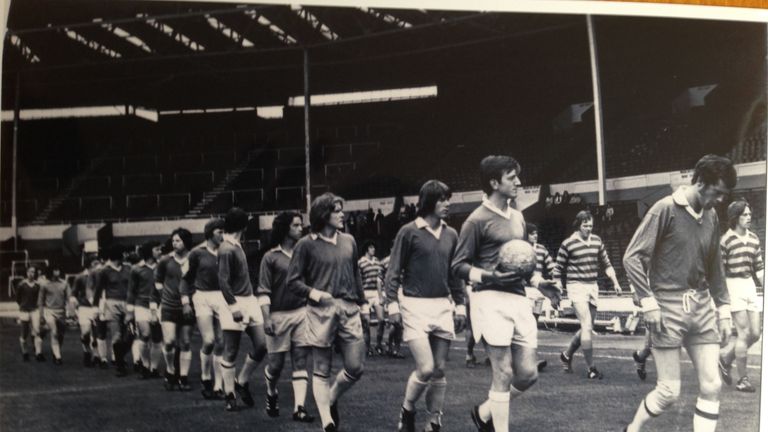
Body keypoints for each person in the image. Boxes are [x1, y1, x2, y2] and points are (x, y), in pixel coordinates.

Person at [622, 154, 736, 432]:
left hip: (701, 306)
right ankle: (632, 429)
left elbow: (715, 269)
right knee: (668, 393)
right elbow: (632, 257)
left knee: (712, 385)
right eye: (718, 192)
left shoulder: (711, 217)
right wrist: (648, 303)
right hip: (667, 307)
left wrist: (723, 311)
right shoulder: (664, 209)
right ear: (700, 182)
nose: (720, 200)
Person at [452, 155, 559, 432]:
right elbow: (458, 266)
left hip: (518, 298)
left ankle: (484, 413)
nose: (519, 182)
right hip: (489, 299)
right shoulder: (475, 220)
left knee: (527, 375)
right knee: (503, 372)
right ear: (494, 182)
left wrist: (538, 282)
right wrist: (489, 275)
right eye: (512, 177)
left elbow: (522, 261)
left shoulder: (518, 217)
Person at [386, 180, 467, 432]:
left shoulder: (452, 234)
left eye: (448, 199)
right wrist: (392, 305)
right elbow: (393, 271)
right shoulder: (408, 231)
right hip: (413, 305)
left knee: (440, 369)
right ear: (429, 202)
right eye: (443, 199)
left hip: (442, 304)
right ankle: (408, 408)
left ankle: (433, 420)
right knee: (426, 367)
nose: (447, 204)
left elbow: (454, 273)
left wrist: (461, 305)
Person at [287, 193, 367, 432]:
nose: (342, 214)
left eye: (342, 209)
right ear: (323, 215)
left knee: (355, 367)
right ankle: (327, 422)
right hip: (320, 311)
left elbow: (355, 274)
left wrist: (362, 303)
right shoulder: (305, 245)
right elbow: (293, 281)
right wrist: (315, 294)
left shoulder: (349, 241)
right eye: (337, 210)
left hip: (349, 308)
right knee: (321, 368)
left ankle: (331, 398)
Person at [258, 212, 315, 422]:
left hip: (301, 313)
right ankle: (271, 392)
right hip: (278, 315)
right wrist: (267, 318)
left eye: (301, 225)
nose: (301, 228)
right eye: (296, 225)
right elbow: (263, 291)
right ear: (285, 229)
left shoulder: (305, 255)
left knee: (300, 360)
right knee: (276, 365)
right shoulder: (270, 257)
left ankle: (299, 408)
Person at [554, 211, 622, 379]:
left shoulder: (597, 240)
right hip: (576, 286)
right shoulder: (568, 243)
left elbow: (606, 263)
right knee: (586, 325)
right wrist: (558, 288)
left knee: (587, 327)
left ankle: (566, 355)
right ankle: (591, 368)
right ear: (578, 225)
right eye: (585, 226)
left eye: (591, 225)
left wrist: (615, 282)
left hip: (592, 286)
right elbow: (557, 270)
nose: (589, 229)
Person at [217, 207, 267, 412]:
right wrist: (233, 306)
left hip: (249, 299)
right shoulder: (227, 248)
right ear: (243, 226)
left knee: (262, 345)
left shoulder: (236, 244)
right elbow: (223, 280)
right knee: (231, 349)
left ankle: (242, 381)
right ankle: (229, 394)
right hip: (234, 302)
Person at [718, 200, 763, 393]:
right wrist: (722, 297)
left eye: (750, 214)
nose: (749, 218)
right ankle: (743, 380)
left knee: (755, 333)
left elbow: (759, 269)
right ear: (735, 218)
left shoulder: (753, 239)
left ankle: (725, 357)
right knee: (743, 334)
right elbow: (719, 271)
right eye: (744, 215)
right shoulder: (726, 240)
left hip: (749, 285)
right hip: (733, 285)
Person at [181, 218, 227, 399]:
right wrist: (185, 302)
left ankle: (218, 386)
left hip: (223, 297)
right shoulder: (196, 253)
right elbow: (186, 279)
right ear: (210, 233)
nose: (223, 235)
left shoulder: (227, 251)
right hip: (203, 297)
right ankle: (206, 377)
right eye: (219, 232)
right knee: (209, 341)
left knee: (222, 343)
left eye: (224, 231)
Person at [154, 228, 195, 390]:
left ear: (186, 241)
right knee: (170, 341)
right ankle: (170, 370)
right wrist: (165, 295)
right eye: (173, 241)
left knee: (185, 342)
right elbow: (157, 281)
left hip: (188, 307)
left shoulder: (194, 258)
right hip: (169, 306)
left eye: (178, 240)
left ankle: (183, 377)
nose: (175, 243)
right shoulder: (165, 260)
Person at [93, 244, 132, 376]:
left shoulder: (128, 268)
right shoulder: (104, 271)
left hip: (127, 303)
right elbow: (98, 290)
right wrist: (96, 308)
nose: (125, 256)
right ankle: (120, 364)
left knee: (131, 333)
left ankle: (120, 356)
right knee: (116, 335)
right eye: (123, 254)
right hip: (112, 303)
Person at [527, 223, 558, 372]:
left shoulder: (541, 249)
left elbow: (552, 266)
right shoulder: (521, 249)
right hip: (524, 290)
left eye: (536, 233)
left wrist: (555, 280)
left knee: (533, 325)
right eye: (532, 233)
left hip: (538, 291)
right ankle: (530, 359)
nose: (535, 236)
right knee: (526, 325)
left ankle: (530, 358)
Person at [126, 242, 160, 379]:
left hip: (159, 305)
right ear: (149, 252)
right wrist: (129, 311)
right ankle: (145, 365)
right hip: (141, 305)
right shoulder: (136, 269)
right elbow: (131, 291)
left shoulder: (161, 266)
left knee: (157, 338)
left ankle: (154, 368)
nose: (159, 251)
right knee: (145, 334)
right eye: (156, 249)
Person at [71, 257, 101, 367]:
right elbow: (73, 293)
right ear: (89, 265)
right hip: (84, 308)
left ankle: (96, 356)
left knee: (96, 333)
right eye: (95, 263)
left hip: (97, 307)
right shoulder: (80, 277)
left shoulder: (100, 276)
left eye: (98, 263)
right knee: (86, 332)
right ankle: (86, 350)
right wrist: (74, 308)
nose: (97, 266)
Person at [358, 241, 386, 356]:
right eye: (370, 247)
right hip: (365, 293)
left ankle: (379, 344)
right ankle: (367, 347)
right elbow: (358, 280)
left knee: (381, 320)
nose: (373, 249)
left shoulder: (377, 262)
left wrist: (381, 295)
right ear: (366, 249)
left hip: (376, 293)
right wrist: (360, 296)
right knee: (366, 322)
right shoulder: (360, 262)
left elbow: (380, 278)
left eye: (374, 247)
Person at [38, 265, 70, 365]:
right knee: (54, 332)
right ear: (51, 271)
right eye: (55, 269)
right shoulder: (45, 284)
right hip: (50, 311)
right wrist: (41, 315)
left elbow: (69, 298)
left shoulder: (64, 283)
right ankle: (58, 357)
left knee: (61, 335)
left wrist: (70, 311)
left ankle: (56, 352)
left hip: (61, 312)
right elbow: (40, 301)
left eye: (58, 269)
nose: (57, 272)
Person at [17, 266, 43, 362]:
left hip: (34, 310)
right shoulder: (21, 285)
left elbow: (39, 298)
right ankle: (25, 352)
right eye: (30, 272)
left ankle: (38, 353)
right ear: (27, 272)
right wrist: (23, 305)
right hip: (24, 310)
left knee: (37, 331)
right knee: (24, 332)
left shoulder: (37, 285)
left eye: (33, 272)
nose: (31, 274)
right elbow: (18, 298)